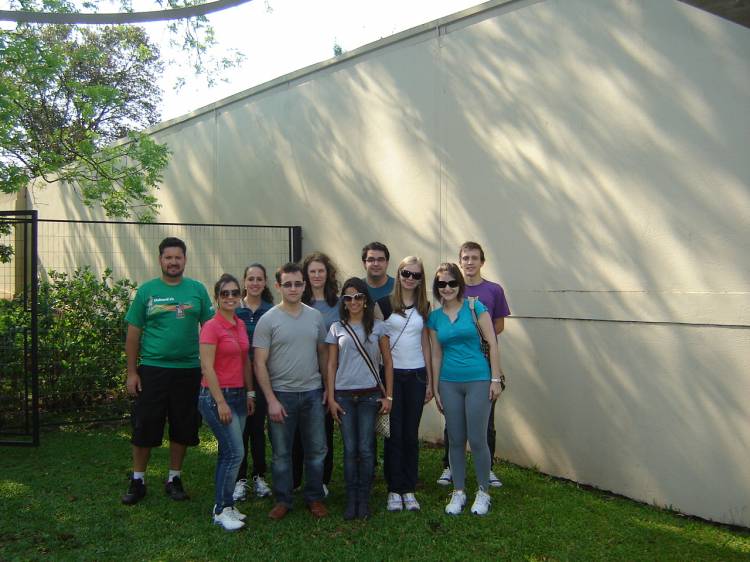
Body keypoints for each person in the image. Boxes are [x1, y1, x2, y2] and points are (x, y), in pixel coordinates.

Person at [122, 237, 214, 505]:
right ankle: (138, 480)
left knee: (183, 426)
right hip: (153, 370)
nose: (173, 262)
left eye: (178, 257)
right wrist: (132, 372)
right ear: (160, 260)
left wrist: (209, 369)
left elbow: (210, 331)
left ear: (185, 260)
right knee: (145, 425)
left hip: (189, 370)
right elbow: (133, 335)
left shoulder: (197, 290)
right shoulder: (147, 291)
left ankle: (174, 478)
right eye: (168, 257)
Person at [253, 262, 329, 520]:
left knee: (316, 450)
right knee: (281, 454)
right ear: (278, 286)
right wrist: (271, 400)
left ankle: (314, 497)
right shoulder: (268, 320)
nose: (293, 288)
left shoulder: (315, 317)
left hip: (312, 393)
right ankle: (283, 500)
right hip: (281, 395)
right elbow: (259, 363)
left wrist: (327, 388)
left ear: (304, 285)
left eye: (298, 284)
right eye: (288, 284)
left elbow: (323, 353)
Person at [428, 263, 504, 516]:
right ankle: (458, 491)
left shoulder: (475, 307)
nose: (447, 288)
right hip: (449, 382)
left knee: (478, 439)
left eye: (452, 282)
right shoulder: (435, 318)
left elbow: (492, 344)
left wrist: (495, 379)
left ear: (459, 284)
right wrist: (435, 386)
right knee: (456, 439)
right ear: (437, 287)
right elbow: (436, 355)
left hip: (478, 380)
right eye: (442, 284)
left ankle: (483, 492)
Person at [437, 242, 511, 488]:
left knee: (486, 423)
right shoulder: (450, 289)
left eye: (474, 258)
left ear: (482, 261)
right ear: (460, 262)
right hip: (454, 369)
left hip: (483, 364)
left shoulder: (493, 290)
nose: (469, 262)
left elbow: (498, 326)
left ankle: (487, 470)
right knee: (453, 422)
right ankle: (450, 466)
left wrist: (477, 337)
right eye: (465, 258)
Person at [326, 278, 393, 520]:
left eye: (358, 297)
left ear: (365, 300)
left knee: (365, 449)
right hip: (343, 396)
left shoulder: (379, 327)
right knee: (349, 449)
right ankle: (351, 498)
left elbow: (388, 363)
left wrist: (389, 396)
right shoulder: (336, 328)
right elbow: (331, 364)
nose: (353, 301)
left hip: (370, 396)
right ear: (343, 301)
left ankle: (363, 498)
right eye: (348, 297)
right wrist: (331, 398)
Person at [198, 274, 254, 531]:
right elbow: (207, 367)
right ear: (217, 297)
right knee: (235, 453)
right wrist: (220, 402)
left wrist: (250, 393)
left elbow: (244, 361)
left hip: (239, 395)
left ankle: (227, 504)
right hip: (216, 397)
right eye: (225, 293)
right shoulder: (212, 327)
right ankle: (221, 510)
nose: (230, 297)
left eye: (234, 293)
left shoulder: (239, 324)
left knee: (227, 453)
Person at [382, 257, 433, 512]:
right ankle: (394, 488)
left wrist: (430, 381)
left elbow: (426, 343)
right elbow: (378, 343)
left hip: (416, 376)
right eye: (406, 273)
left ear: (421, 279)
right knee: (394, 434)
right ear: (399, 273)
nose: (410, 278)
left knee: (411, 434)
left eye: (416, 275)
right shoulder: (384, 304)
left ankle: (409, 488)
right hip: (392, 376)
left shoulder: (424, 306)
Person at [292, 252, 340, 495]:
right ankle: (295, 479)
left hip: (329, 374)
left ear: (328, 274)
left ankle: (322, 479)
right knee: (297, 431)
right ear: (306, 275)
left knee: (323, 430)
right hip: (301, 373)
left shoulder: (338, 304)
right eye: (312, 271)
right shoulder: (298, 302)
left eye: (321, 271)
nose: (317, 275)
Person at [233, 263, 274, 502]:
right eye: (251, 279)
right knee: (239, 430)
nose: (255, 283)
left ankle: (259, 475)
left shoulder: (271, 311)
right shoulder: (234, 309)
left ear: (265, 282)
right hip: (235, 378)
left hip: (261, 377)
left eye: (259, 279)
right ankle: (239, 479)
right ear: (244, 281)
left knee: (257, 428)